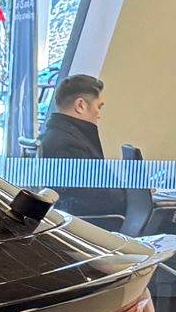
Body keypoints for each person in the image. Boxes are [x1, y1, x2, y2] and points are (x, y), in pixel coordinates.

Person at [37, 73, 122, 223]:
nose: (99, 115)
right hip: (91, 227)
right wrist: (134, 197)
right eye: (98, 107)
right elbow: (95, 201)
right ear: (81, 105)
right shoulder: (69, 145)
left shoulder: (54, 136)